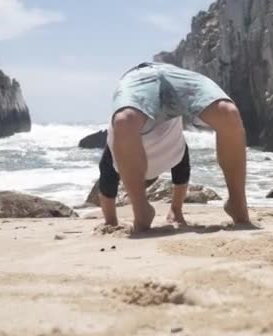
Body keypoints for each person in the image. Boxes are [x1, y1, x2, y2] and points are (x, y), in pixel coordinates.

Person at [107, 62, 250, 232]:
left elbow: (106, 185)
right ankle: (141, 210)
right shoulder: (168, 149)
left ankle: (237, 202)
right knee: (124, 121)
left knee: (228, 112)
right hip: (136, 78)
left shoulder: (158, 149)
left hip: (159, 70)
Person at [98, 116, 191, 227]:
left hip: (134, 127)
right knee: (179, 154)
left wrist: (110, 219)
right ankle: (175, 211)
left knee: (109, 164)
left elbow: (106, 174)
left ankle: (110, 220)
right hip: (161, 133)